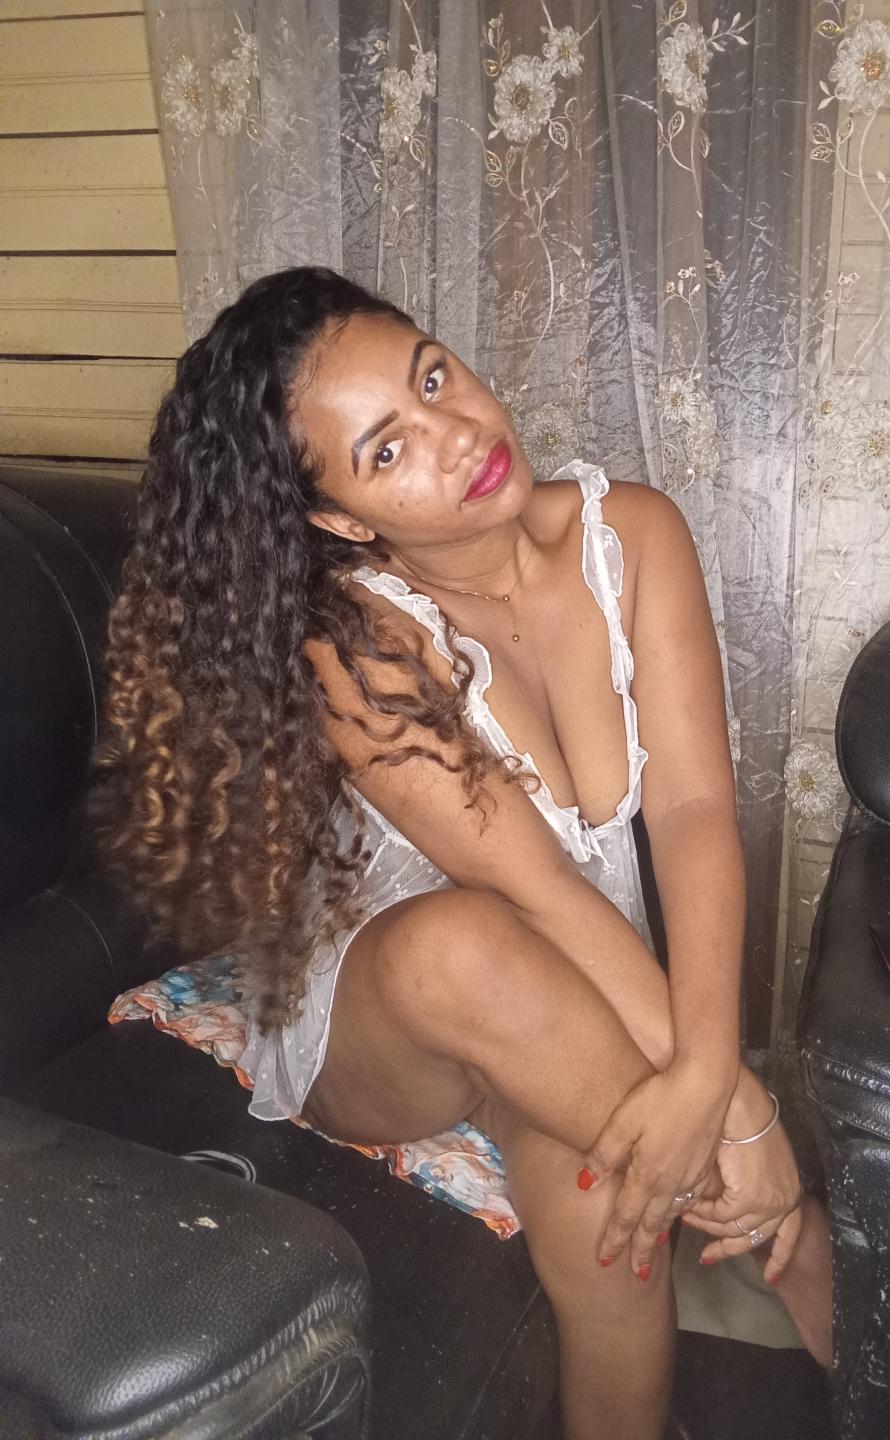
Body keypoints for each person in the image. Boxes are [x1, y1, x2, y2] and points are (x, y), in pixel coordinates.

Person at [96, 265, 832, 1440]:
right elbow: (532, 890)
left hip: (566, 992)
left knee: (605, 1218)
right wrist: (737, 1109)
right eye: (386, 450)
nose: (455, 436)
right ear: (343, 520)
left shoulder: (633, 535)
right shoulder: (351, 646)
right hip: (390, 1018)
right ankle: (822, 1280)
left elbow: (694, 810)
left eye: (431, 377)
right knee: (465, 944)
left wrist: (700, 1069)